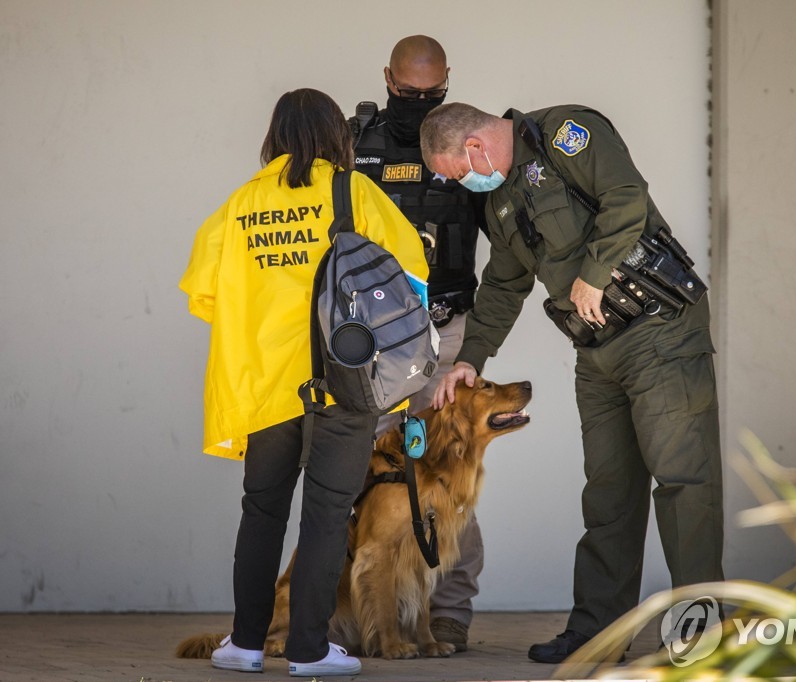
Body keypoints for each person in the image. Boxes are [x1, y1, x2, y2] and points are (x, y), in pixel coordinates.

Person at [420, 102, 724, 663]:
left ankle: (698, 635)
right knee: (608, 493)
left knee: (684, 481)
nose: (466, 185)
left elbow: (626, 197)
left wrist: (595, 273)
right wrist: (472, 359)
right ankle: (598, 634)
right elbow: (504, 285)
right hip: (596, 350)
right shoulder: (500, 199)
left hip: (659, 333)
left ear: (476, 148)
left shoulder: (565, 136)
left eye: (461, 173)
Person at [180, 88, 428, 676]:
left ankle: (243, 644)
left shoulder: (239, 204)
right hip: (339, 380)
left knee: (261, 510)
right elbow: (410, 272)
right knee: (326, 514)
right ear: (333, 136)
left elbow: (204, 293)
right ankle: (309, 651)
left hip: (264, 386)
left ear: (274, 135)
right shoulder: (355, 192)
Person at [349, 35, 488, 653]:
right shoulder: (356, 148)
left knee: (447, 468)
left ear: (448, 84)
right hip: (379, 344)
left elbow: (508, 235)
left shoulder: (467, 141)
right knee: (368, 474)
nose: (421, 103)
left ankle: (448, 612)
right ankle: (363, 614)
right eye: (409, 93)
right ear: (387, 80)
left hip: (449, 329)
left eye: (434, 93)